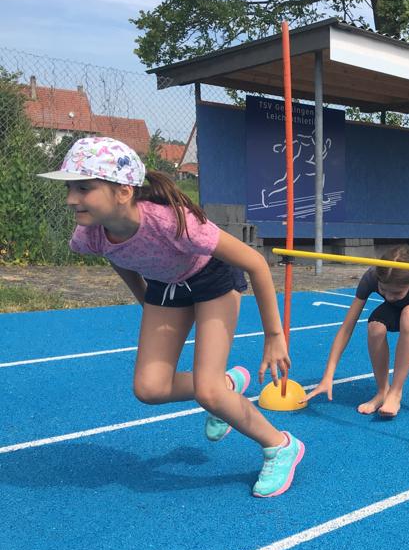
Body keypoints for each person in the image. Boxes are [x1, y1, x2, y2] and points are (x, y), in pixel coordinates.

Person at [38, 137, 303, 498]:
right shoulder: (90, 234)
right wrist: (147, 302)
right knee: (150, 388)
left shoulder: (172, 222)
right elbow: (119, 256)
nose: (71, 198)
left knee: (208, 392)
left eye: (84, 188)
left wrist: (274, 336)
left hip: (212, 278)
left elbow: (256, 263)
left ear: (123, 192)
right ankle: (226, 385)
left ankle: (280, 445)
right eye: (69, 188)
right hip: (166, 286)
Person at [305, 245, 409, 422]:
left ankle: (395, 392)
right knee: (375, 326)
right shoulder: (372, 276)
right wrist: (328, 375)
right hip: (397, 309)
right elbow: (347, 327)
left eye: (396, 292)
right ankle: (382, 391)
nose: (388, 296)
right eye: (383, 290)